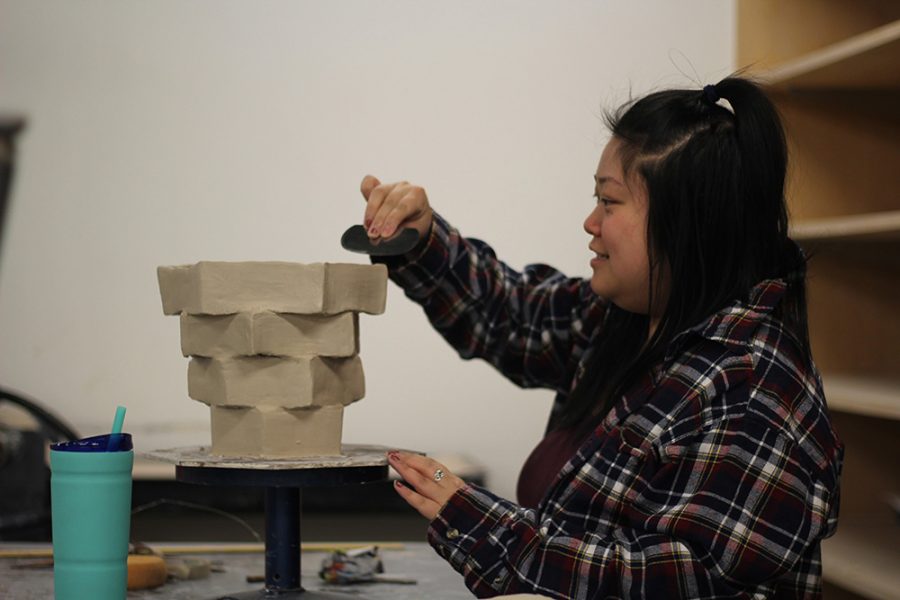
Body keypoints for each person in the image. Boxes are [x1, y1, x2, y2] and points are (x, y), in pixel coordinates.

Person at [359, 76, 843, 599]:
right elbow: (511, 314)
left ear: (689, 224)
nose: (590, 222)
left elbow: (675, 583)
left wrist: (489, 528)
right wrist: (424, 239)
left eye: (609, 202)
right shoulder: (630, 318)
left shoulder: (753, 392)